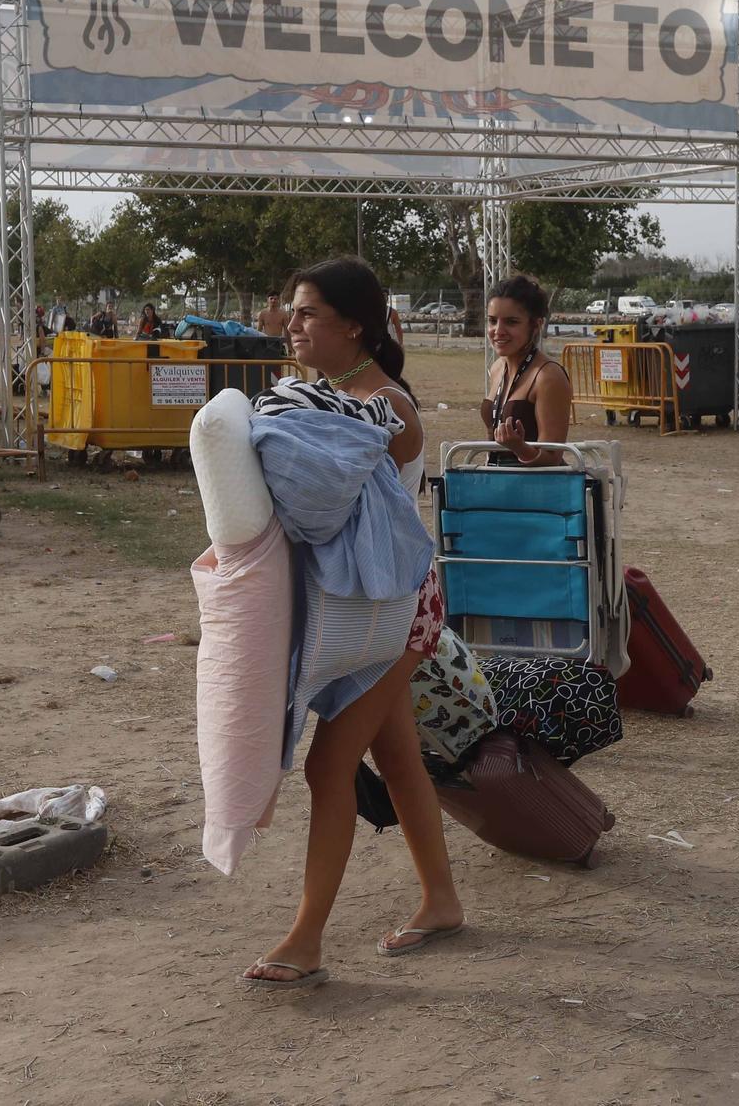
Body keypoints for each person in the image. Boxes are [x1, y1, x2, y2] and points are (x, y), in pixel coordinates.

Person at [241, 256, 463, 989]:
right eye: (292, 310)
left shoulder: (385, 408)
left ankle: (305, 939)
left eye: (306, 313)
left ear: (353, 327)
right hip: (378, 604)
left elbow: (312, 495)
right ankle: (442, 901)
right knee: (396, 760)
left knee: (328, 764)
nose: (290, 324)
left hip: (395, 611)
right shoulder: (336, 395)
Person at [481, 274, 572, 466]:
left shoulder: (548, 376)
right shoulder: (497, 368)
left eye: (511, 322)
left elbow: (552, 458)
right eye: (492, 320)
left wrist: (519, 447)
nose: (498, 330)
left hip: (537, 491)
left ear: (536, 325)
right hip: (499, 484)